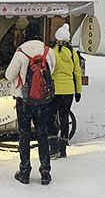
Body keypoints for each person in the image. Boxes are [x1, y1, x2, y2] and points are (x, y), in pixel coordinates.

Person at [6, 21, 57, 185]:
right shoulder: (48, 51)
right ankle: (45, 171)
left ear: (27, 34)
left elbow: (9, 75)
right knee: (43, 134)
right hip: (43, 100)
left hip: (24, 100)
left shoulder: (21, 52)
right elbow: (52, 70)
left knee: (24, 135)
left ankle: (25, 171)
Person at [50, 23, 83, 158]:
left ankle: (53, 147)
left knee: (52, 117)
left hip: (55, 90)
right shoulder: (73, 54)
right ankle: (63, 148)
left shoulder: (52, 53)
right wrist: (78, 91)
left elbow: (50, 71)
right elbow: (77, 73)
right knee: (64, 117)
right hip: (69, 90)